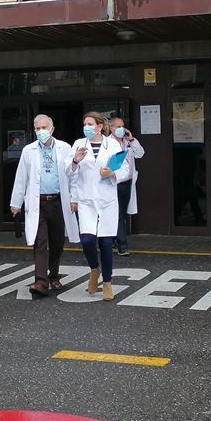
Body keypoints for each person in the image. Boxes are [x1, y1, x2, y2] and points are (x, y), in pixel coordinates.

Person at [10, 115, 80, 297]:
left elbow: (73, 175)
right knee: (40, 241)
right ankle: (41, 281)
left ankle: (54, 275)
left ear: (52, 129)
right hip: (37, 202)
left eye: (44, 127)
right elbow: (21, 177)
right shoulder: (28, 150)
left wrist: (74, 199)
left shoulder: (65, 148)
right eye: (37, 128)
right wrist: (16, 203)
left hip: (58, 201)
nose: (41, 131)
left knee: (57, 242)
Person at [67, 111, 131, 301]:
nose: (86, 127)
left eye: (89, 124)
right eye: (84, 123)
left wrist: (111, 174)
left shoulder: (111, 144)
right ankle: (94, 270)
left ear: (99, 126)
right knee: (87, 240)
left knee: (105, 243)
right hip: (86, 200)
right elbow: (69, 172)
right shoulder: (79, 144)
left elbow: (125, 168)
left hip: (107, 200)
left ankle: (108, 283)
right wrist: (75, 160)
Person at [109, 116, 145, 256]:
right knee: (117, 214)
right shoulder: (108, 143)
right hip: (115, 183)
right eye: (117, 127)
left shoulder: (127, 142)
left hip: (128, 182)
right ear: (111, 128)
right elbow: (111, 164)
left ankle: (112, 240)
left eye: (122, 126)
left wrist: (132, 139)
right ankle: (122, 245)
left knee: (122, 214)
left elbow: (140, 154)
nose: (121, 129)